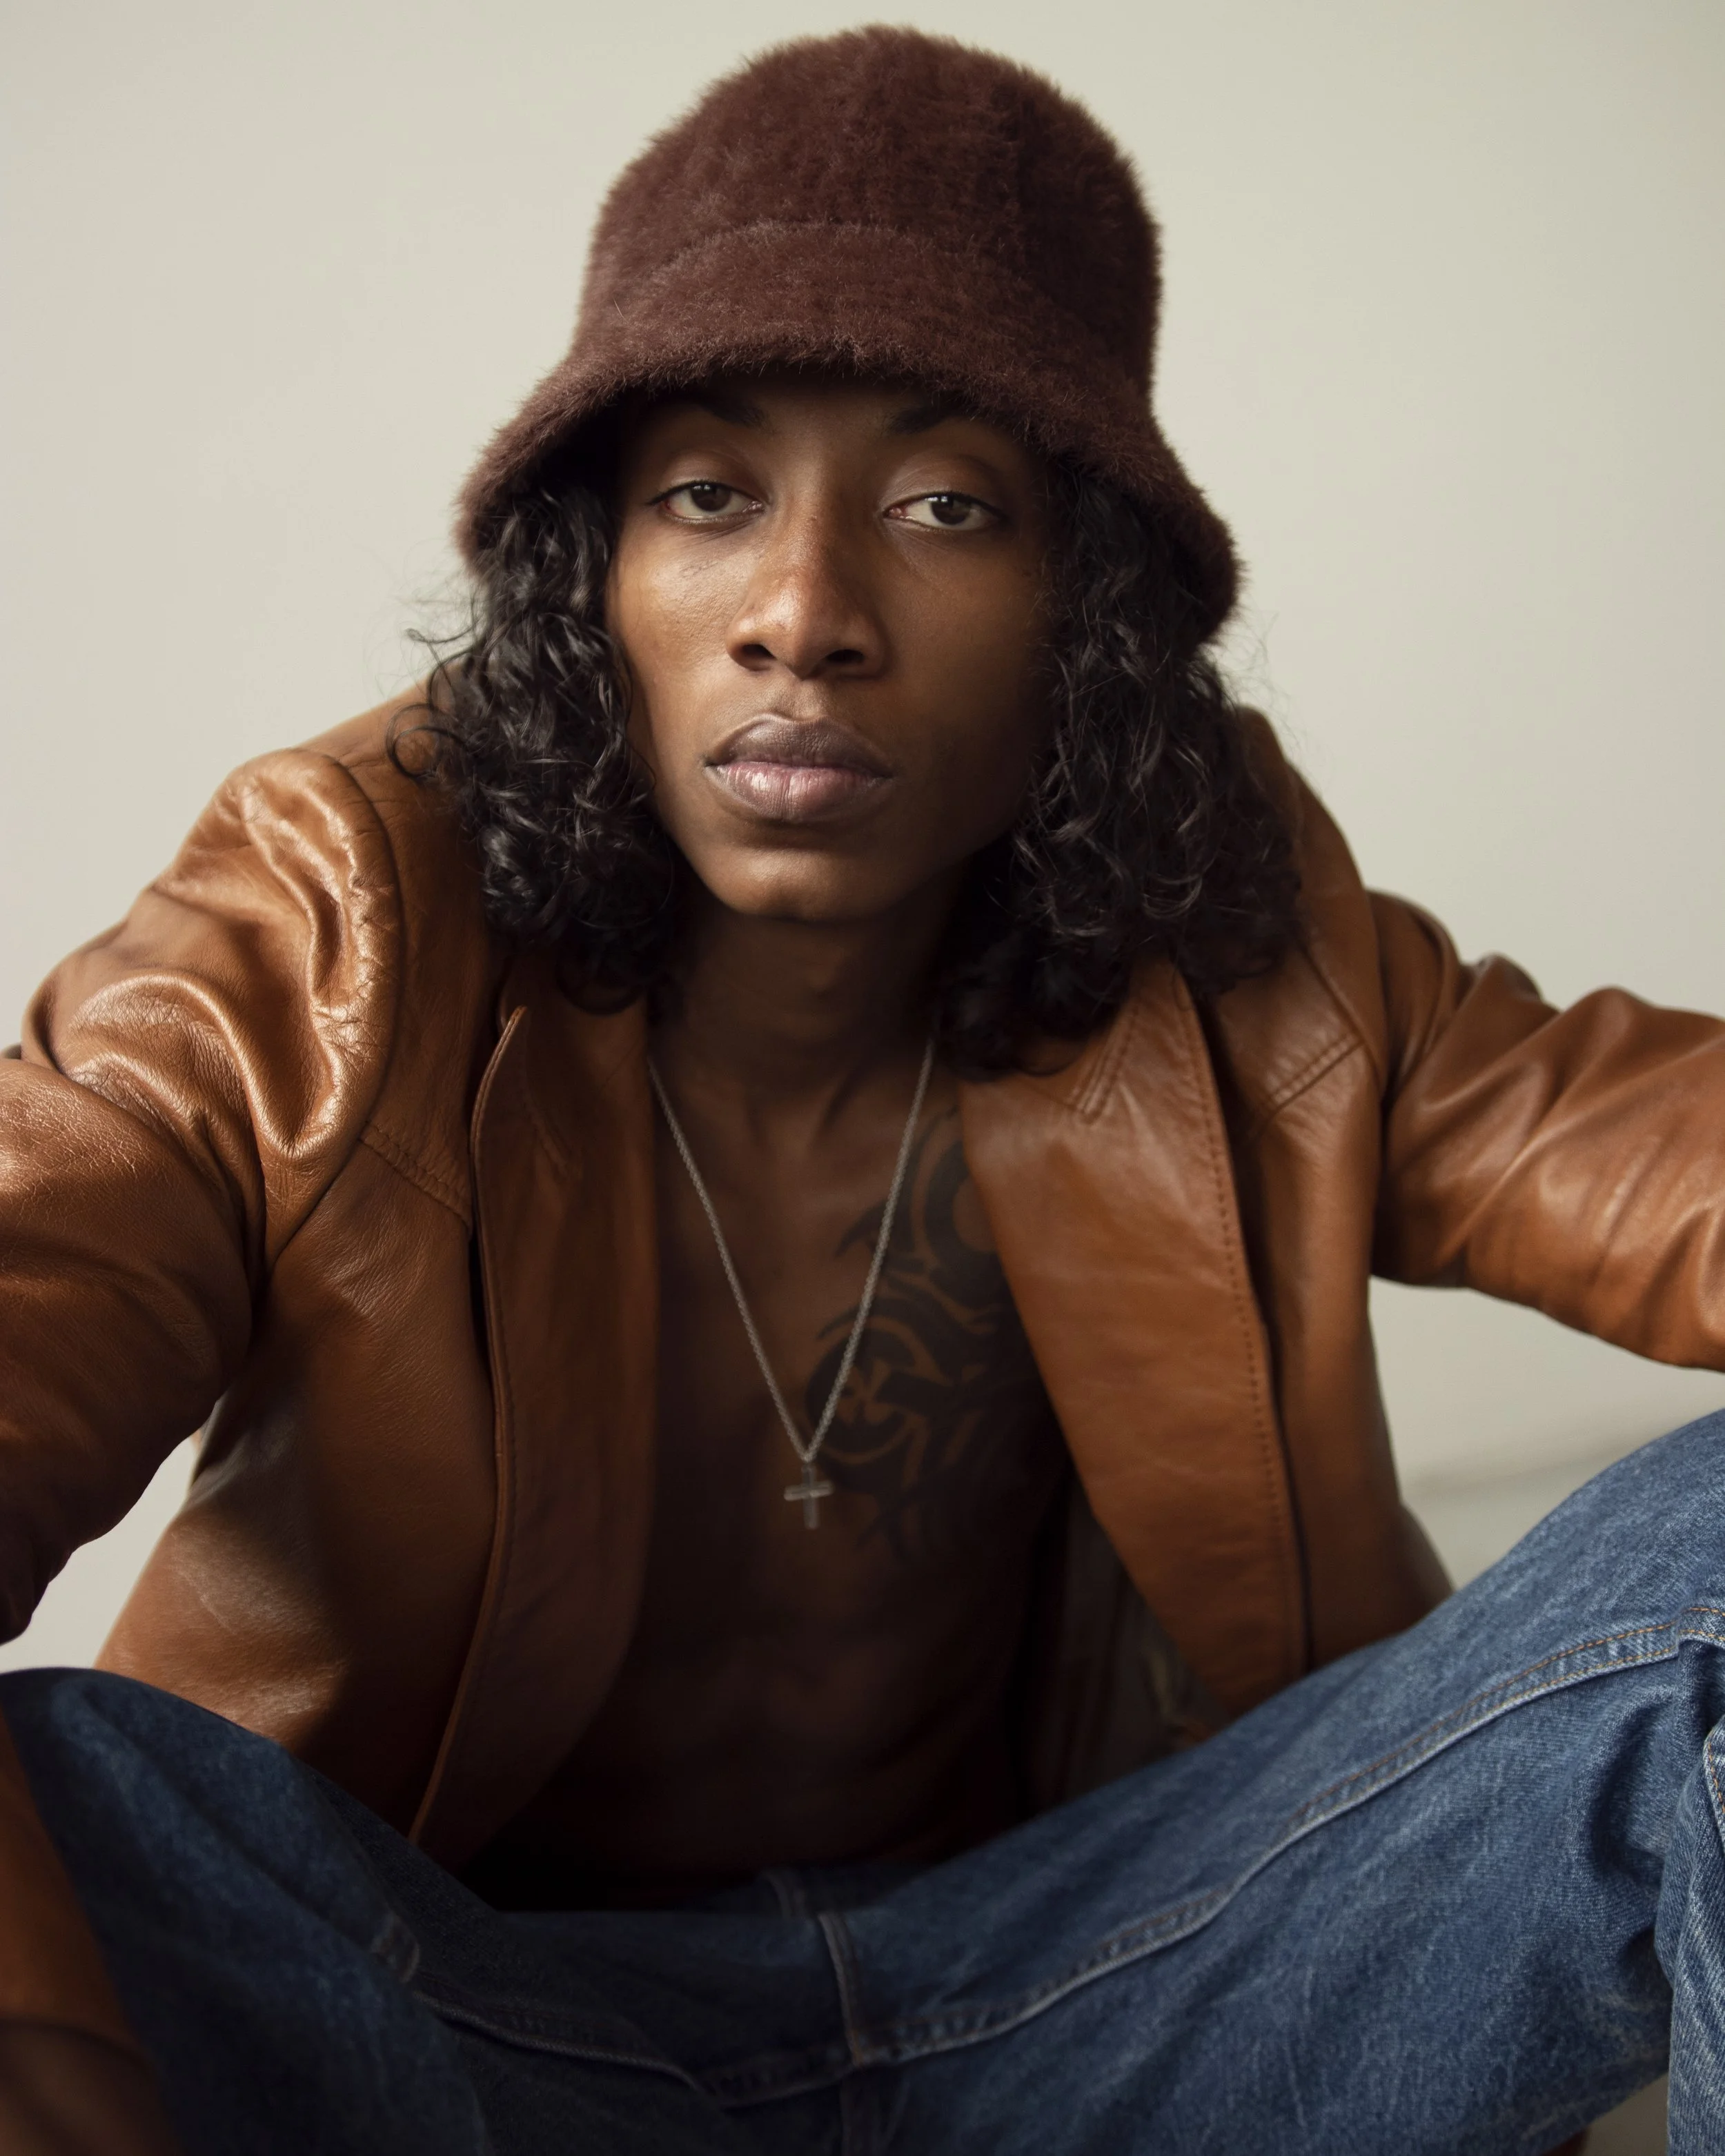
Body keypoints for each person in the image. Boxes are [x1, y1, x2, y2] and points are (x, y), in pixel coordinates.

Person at [0, 25, 1720, 2154]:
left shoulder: (1229, 927)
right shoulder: (334, 913)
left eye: (943, 507)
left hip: (1099, 1990)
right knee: (77, 1789)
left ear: (1081, 606)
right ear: (590, 574)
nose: (803, 614)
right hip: (460, 2032)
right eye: (706, 496)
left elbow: (1647, 1156)